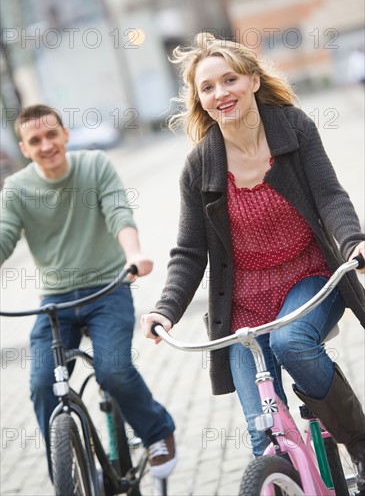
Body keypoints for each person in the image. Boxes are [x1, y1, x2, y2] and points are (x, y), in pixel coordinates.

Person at [141, 32, 365, 493]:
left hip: (308, 279)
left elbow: (330, 196)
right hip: (242, 307)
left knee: (292, 342)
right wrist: (165, 309)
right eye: (208, 87)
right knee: (263, 432)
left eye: (230, 80)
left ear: (254, 81)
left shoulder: (294, 129)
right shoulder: (200, 166)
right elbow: (189, 251)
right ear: (199, 100)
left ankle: (360, 444)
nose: (221, 93)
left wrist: (353, 243)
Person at [0, 104, 176, 482]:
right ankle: (68, 475)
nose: (46, 145)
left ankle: (158, 432)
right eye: (35, 140)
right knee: (42, 384)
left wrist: (135, 254)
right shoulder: (17, 189)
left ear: (65, 134)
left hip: (107, 289)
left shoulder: (95, 166)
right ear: (24, 148)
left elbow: (118, 212)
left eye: (51, 135)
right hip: (55, 302)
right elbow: (3, 238)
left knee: (114, 371)